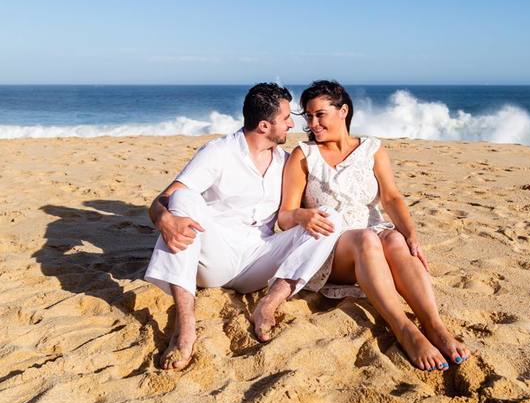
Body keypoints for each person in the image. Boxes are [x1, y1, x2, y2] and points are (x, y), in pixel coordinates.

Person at [252, 80, 470, 372]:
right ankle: (404, 328)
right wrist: (303, 216)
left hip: (375, 236)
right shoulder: (304, 155)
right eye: (309, 116)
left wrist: (411, 235)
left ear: (343, 111)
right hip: (332, 246)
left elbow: (391, 197)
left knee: (395, 239)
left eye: (320, 115)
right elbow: (285, 216)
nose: (313, 124)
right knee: (367, 239)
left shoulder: (372, 149)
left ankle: (435, 325)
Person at [144, 83, 344, 370]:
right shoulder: (218, 151)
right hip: (215, 257)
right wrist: (163, 219)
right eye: (286, 118)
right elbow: (162, 199)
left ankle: (269, 303)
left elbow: (293, 216)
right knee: (183, 197)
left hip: (260, 258)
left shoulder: (286, 161)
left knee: (329, 217)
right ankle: (185, 326)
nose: (292, 124)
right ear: (264, 125)